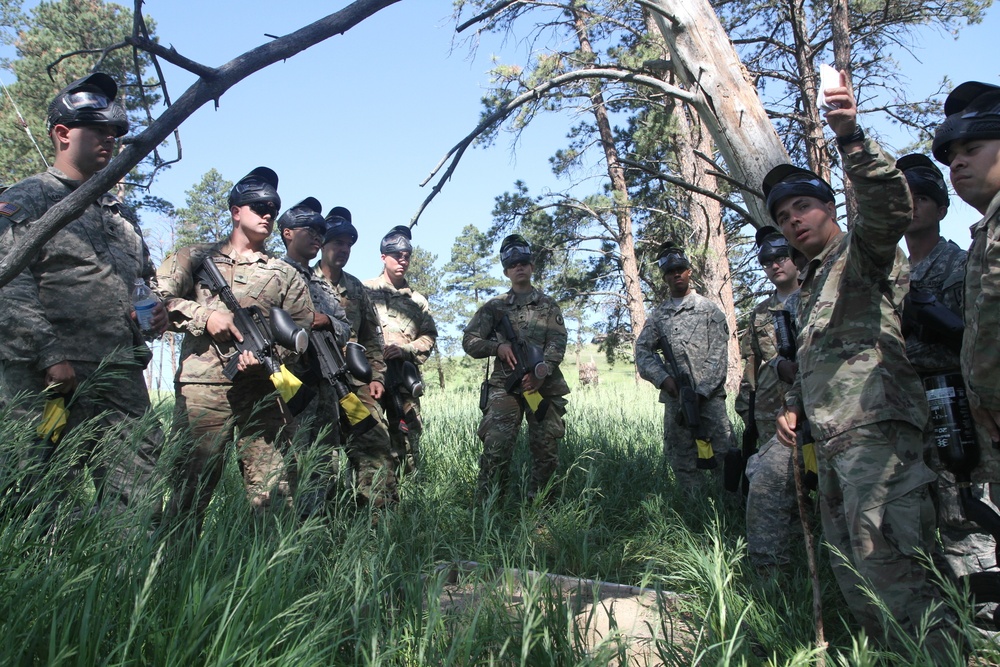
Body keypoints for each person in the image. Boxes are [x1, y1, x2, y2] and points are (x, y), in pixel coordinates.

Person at [769, 71, 955, 655]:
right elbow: (818, 358)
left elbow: (887, 204)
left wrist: (849, 134)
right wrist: (794, 406)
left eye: (804, 206)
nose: (794, 220)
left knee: (896, 573)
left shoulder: (862, 252)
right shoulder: (813, 280)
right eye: (783, 217)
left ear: (829, 208)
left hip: (877, 436)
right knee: (858, 579)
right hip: (832, 445)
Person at [0, 72, 165, 523]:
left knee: (137, 491)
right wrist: (50, 354)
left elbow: (137, 282)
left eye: (115, 133)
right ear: (61, 133)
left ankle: (122, 583)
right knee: (36, 491)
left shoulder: (118, 216)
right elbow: (9, 283)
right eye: (98, 130)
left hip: (118, 371)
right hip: (51, 375)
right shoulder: (28, 201)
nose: (109, 140)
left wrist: (153, 309)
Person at [156, 167, 314, 533]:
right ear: (235, 210)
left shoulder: (284, 273)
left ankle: (270, 579)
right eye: (258, 205)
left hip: (262, 393)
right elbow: (157, 300)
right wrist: (205, 315)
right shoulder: (194, 258)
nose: (267, 214)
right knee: (188, 489)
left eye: (273, 207)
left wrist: (270, 358)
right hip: (204, 391)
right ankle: (173, 576)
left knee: (276, 496)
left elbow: (301, 332)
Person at [896, 153, 998, 587]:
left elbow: (979, 343)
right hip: (904, 415)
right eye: (904, 199)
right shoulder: (888, 278)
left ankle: (984, 623)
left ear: (941, 209)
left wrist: (939, 322)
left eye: (922, 198)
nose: (912, 206)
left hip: (952, 410)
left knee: (964, 520)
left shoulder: (962, 263)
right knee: (913, 522)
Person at [463, 234, 569, 504]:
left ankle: (543, 508)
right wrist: (496, 348)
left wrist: (540, 373)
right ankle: (489, 509)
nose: (519, 267)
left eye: (523, 262)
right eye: (513, 265)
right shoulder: (494, 308)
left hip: (541, 386)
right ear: (506, 272)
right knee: (495, 447)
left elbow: (557, 342)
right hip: (504, 386)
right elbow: (469, 341)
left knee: (546, 450)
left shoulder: (548, 305)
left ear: (531, 267)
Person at [316, 207, 398, 510]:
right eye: (337, 242)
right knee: (321, 456)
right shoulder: (303, 280)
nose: (343, 249)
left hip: (353, 383)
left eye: (348, 244)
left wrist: (376, 377)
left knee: (374, 446)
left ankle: (380, 524)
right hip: (316, 383)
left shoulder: (356, 288)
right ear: (323, 243)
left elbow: (372, 337)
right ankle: (321, 528)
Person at [634, 242, 734, 489]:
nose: (676, 274)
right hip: (675, 399)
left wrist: (701, 392)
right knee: (682, 456)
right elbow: (642, 351)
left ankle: (730, 507)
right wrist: (664, 380)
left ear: (689, 271)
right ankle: (694, 509)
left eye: (680, 269)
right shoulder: (658, 316)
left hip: (710, 400)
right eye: (670, 272)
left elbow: (719, 355)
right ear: (665, 278)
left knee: (724, 452)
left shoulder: (708, 310)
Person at [276, 198, 351, 515]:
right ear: (288, 233)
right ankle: (284, 538)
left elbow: (345, 329)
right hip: (287, 382)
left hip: (324, 385)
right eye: (311, 230)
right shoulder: (273, 273)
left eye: (322, 231)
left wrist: (327, 321)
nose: (318, 236)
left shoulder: (322, 285)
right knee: (287, 461)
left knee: (324, 460)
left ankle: (316, 530)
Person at [735, 227, 802, 571]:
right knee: (774, 481)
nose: (775, 265)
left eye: (781, 257)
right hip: (769, 412)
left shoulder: (815, 298)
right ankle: (781, 561)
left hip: (810, 405)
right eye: (766, 261)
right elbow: (750, 361)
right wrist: (745, 402)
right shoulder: (761, 312)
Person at [364, 225, 438, 476]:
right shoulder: (364, 290)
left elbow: (429, 336)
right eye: (397, 255)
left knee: (408, 439)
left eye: (407, 256)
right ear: (383, 256)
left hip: (404, 379)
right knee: (370, 436)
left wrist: (406, 349)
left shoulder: (417, 301)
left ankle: (409, 492)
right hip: (369, 377)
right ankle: (371, 494)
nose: (402, 260)